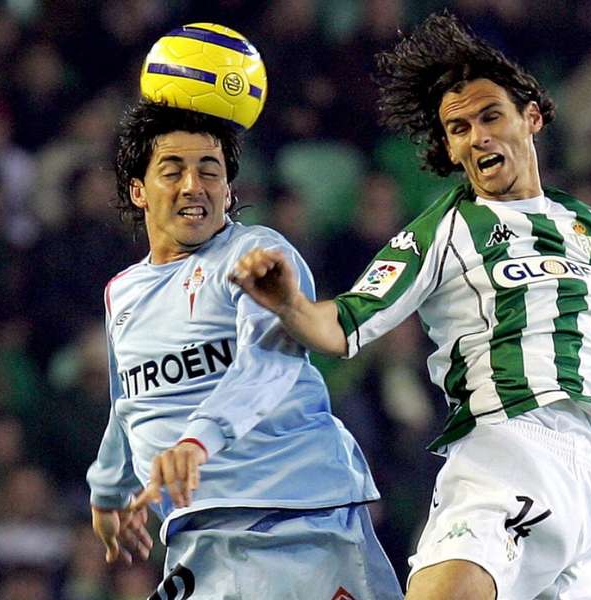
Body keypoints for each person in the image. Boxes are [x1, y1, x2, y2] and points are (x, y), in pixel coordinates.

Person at [231, 12, 591, 600]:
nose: (476, 136)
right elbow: (341, 325)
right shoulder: (446, 231)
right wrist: (290, 304)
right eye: (458, 128)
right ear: (451, 148)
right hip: (504, 454)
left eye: (489, 116)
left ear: (530, 117)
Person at [86, 100, 403, 600]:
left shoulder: (254, 255)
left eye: (209, 171)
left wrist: (196, 441)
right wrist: (108, 494)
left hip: (297, 521)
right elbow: (126, 401)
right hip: (200, 535)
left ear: (228, 190)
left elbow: (268, 365)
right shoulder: (120, 292)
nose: (194, 185)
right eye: (173, 171)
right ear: (138, 191)